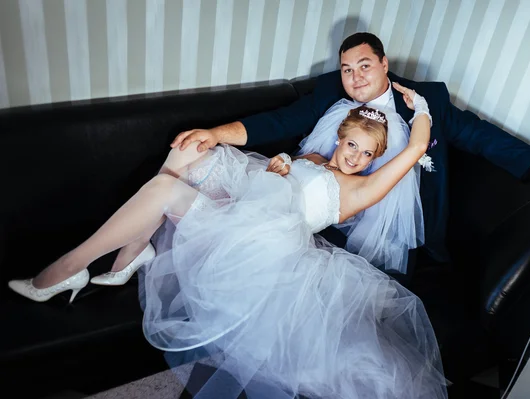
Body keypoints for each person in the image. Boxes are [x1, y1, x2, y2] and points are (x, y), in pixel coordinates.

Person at [9, 90, 448, 398]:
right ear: (340, 137)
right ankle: (129, 255)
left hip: (261, 245)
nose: (355, 156)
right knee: (190, 151)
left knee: (164, 189)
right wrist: (281, 165)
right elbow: (277, 180)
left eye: (366, 153)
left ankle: (69, 268)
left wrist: (422, 107)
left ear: (374, 160)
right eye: (352, 144)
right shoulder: (313, 158)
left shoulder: (359, 190)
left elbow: (415, 148)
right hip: (242, 207)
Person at [169, 32, 530, 278]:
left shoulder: (426, 99)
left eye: (364, 66)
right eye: (347, 69)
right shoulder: (331, 90)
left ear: (385, 64)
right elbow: (279, 121)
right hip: (322, 201)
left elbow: (477, 134)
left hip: (389, 227)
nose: (355, 77)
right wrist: (214, 133)